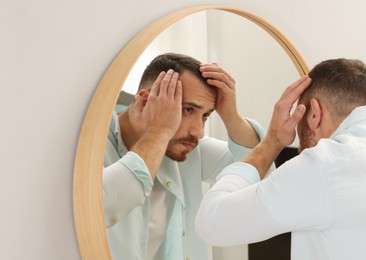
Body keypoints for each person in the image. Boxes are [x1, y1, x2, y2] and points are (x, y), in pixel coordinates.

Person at [195, 58, 366, 259]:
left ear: (314, 113)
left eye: (299, 118)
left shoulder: (325, 165)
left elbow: (212, 222)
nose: (299, 150)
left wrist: (273, 140)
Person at [102, 53, 264, 260]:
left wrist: (230, 114)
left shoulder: (185, 147)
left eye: (205, 115)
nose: (199, 131)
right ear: (145, 102)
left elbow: (256, 172)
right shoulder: (92, 146)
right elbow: (103, 205)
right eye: (188, 109)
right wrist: (159, 131)